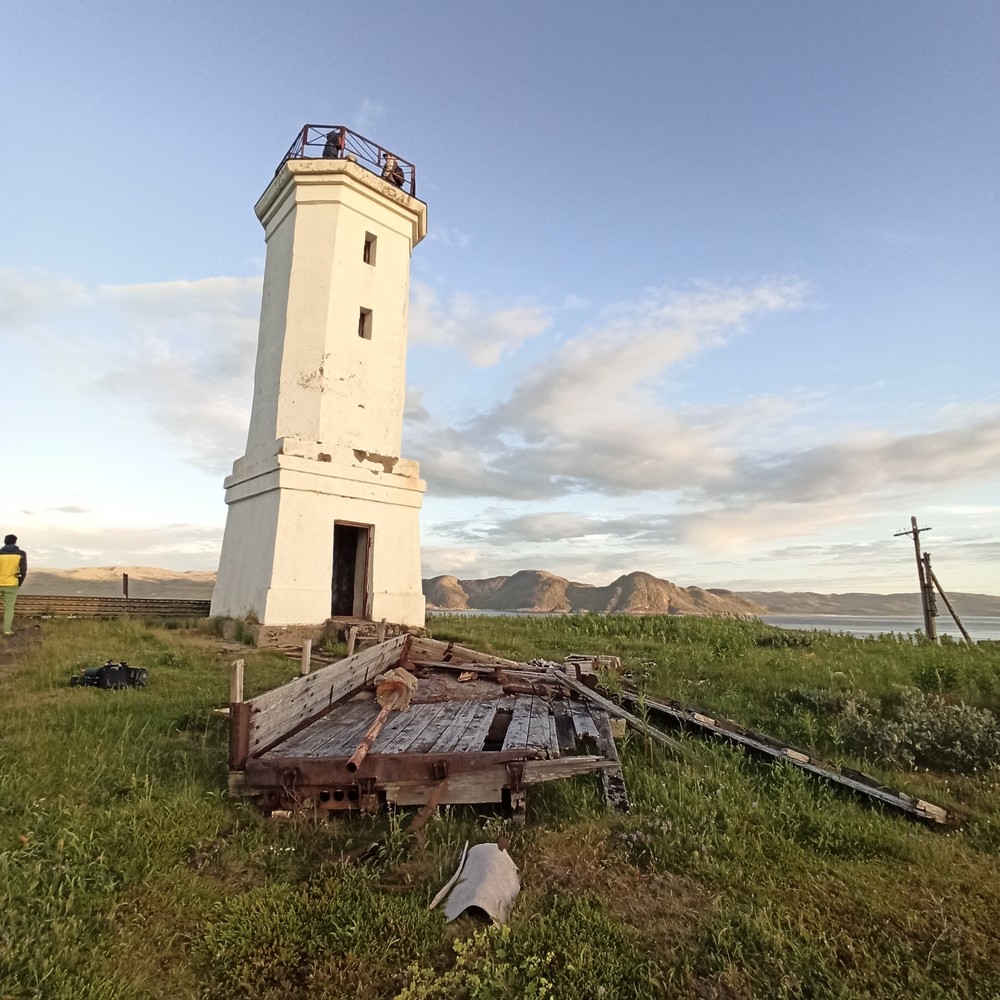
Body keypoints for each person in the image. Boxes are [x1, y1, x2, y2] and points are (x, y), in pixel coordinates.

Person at [0, 534, 27, 636]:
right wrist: (19, 582)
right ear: (15, 542)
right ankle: (7, 631)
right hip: (11, 584)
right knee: (9, 608)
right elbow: (23, 571)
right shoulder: (21, 554)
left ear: (4, 541)